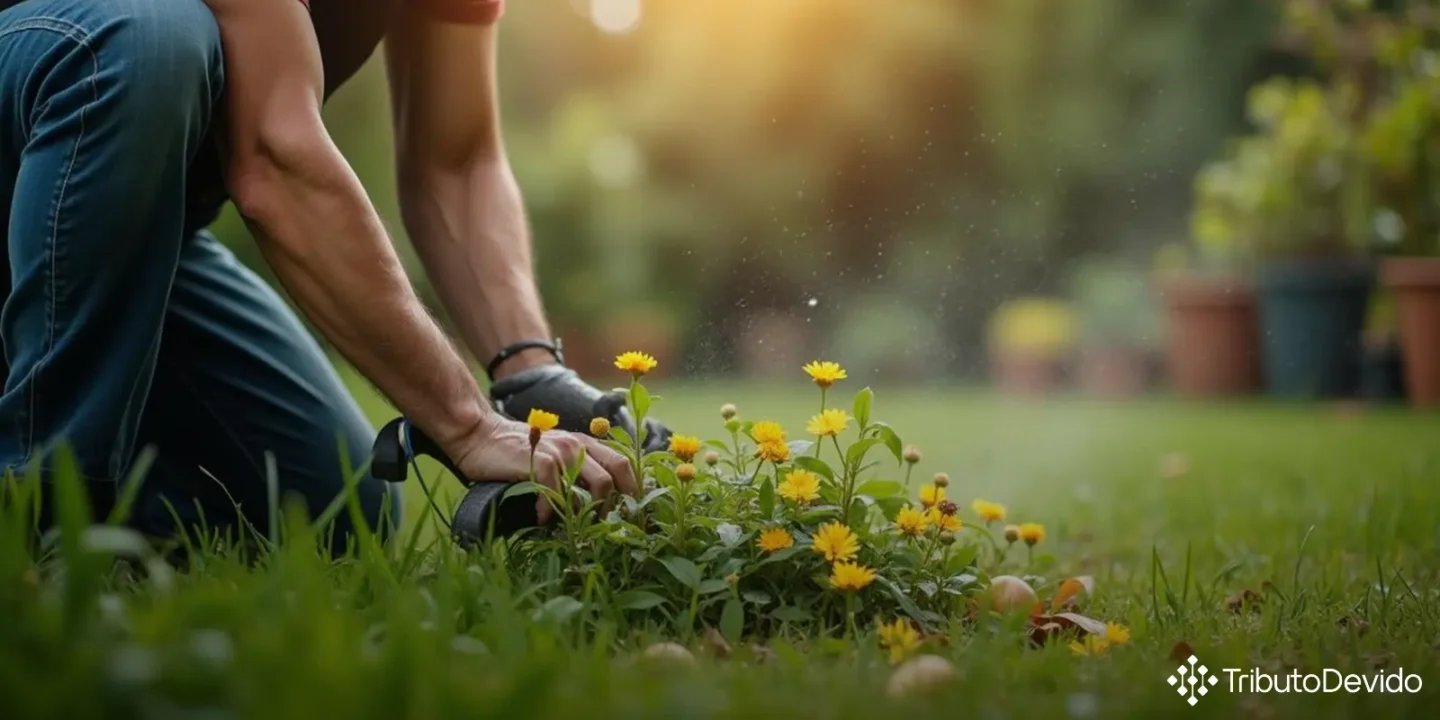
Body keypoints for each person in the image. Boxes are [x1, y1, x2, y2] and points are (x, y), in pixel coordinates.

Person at [0, 0, 669, 544]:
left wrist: (529, 374)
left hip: (141, 233)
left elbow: (457, 161)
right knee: (144, 40)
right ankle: (42, 529)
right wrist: (468, 425)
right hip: (35, 123)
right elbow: (276, 156)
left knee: (331, 508)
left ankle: (125, 526)